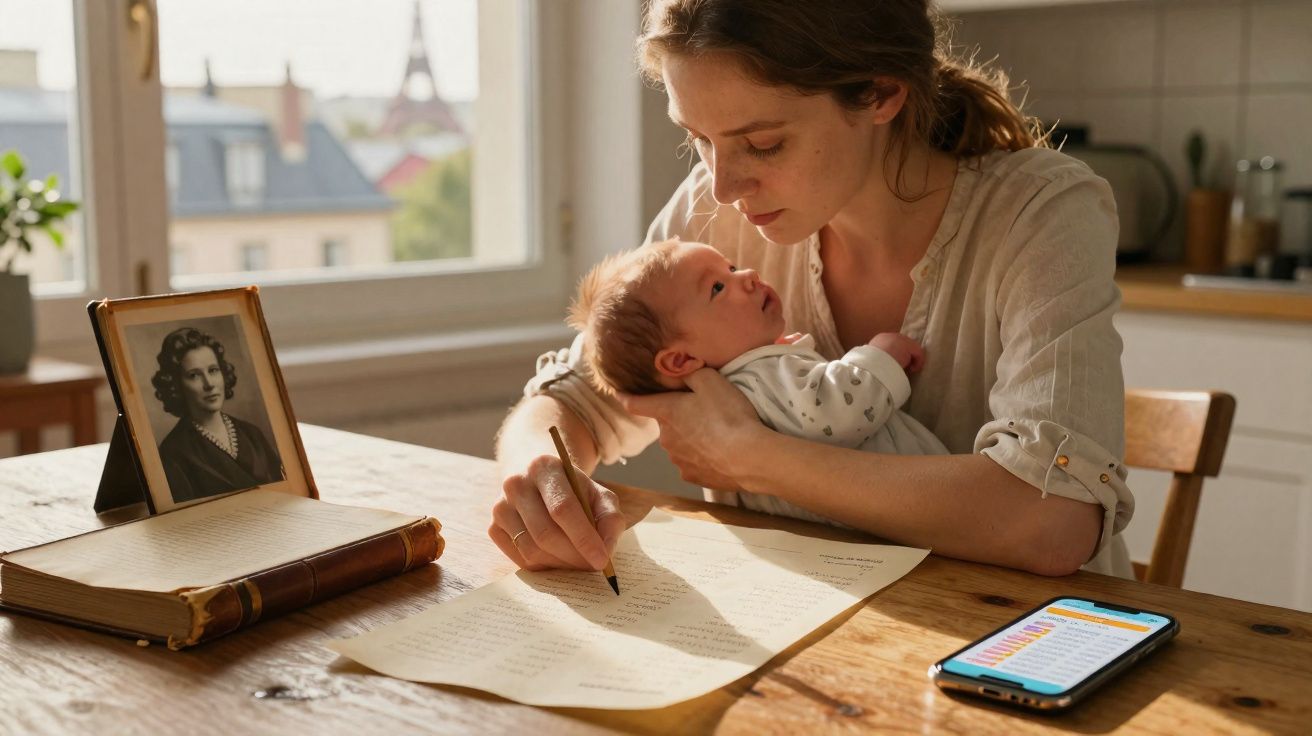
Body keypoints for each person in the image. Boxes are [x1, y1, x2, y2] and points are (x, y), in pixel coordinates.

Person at [492, 0, 1133, 579]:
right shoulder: (713, 214)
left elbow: (1053, 521)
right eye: (698, 140)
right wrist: (539, 471)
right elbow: (579, 398)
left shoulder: (1040, 211)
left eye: (763, 144)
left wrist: (752, 456)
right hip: (824, 626)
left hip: (1034, 639)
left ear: (881, 93)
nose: (723, 186)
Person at [569, 238, 948, 525]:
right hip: (906, 519)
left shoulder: (736, 392)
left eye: (731, 268)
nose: (747, 275)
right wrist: (879, 357)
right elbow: (837, 411)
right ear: (681, 360)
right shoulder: (761, 376)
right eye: (717, 288)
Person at [151, 326, 282, 502]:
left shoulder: (252, 434)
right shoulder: (174, 452)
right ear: (176, 384)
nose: (209, 384)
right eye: (194, 375)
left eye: (213, 370)